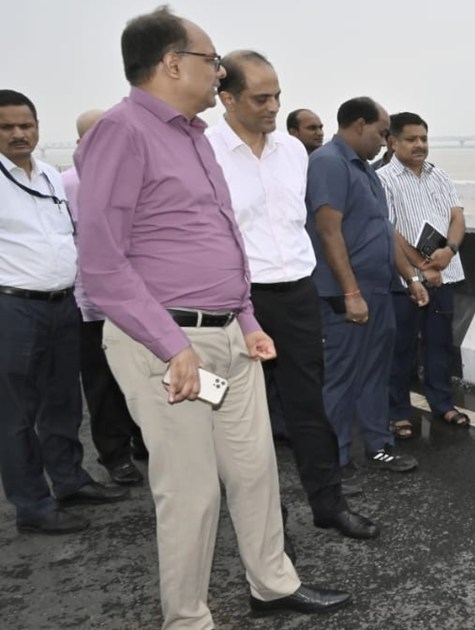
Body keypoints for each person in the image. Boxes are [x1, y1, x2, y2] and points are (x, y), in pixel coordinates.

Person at [74, 8, 350, 626]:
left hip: (228, 332)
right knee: (191, 493)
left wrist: (248, 318)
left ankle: (272, 585)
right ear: (172, 63)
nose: (218, 69)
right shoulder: (122, 132)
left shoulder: (192, 136)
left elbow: (223, 239)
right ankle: (188, 618)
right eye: (211, 59)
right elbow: (101, 261)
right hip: (166, 344)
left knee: (255, 474)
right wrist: (173, 346)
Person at [207, 50, 378, 537]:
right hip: (240, 301)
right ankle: (267, 529)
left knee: (310, 409)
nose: (273, 106)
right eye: (261, 98)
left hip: (297, 295)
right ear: (227, 98)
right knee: (246, 421)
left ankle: (329, 504)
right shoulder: (207, 152)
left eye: (277, 95)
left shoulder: (292, 151)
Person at [0, 90, 128, 535]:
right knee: (15, 414)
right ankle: (33, 504)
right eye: (7, 127)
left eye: (26, 125)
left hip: (61, 303)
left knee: (63, 402)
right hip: (13, 308)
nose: (19, 134)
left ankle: (71, 480)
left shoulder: (51, 177)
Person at [306, 96, 428, 487]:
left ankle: (378, 445)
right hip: (348, 293)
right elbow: (328, 230)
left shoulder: (366, 170)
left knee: (376, 372)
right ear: (359, 125)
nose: (384, 140)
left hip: (380, 289)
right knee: (341, 377)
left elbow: (383, 230)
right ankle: (336, 460)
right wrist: (350, 291)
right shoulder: (328, 163)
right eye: (381, 132)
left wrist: (410, 278)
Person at [64, 108, 148, 486]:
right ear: (81, 145)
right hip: (91, 304)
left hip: (137, 300)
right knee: (101, 384)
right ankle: (116, 454)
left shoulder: (134, 177)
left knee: (145, 376)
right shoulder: (65, 185)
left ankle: (147, 441)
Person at [377, 112, 470, 440]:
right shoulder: (383, 179)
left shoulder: (439, 175)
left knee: (439, 343)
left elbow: (457, 217)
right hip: (405, 281)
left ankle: (442, 403)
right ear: (392, 141)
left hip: (445, 274)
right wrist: (423, 267)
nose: (419, 145)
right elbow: (389, 232)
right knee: (401, 348)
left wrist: (451, 250)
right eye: (411, 139)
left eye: (424, 139)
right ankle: (399, 411)